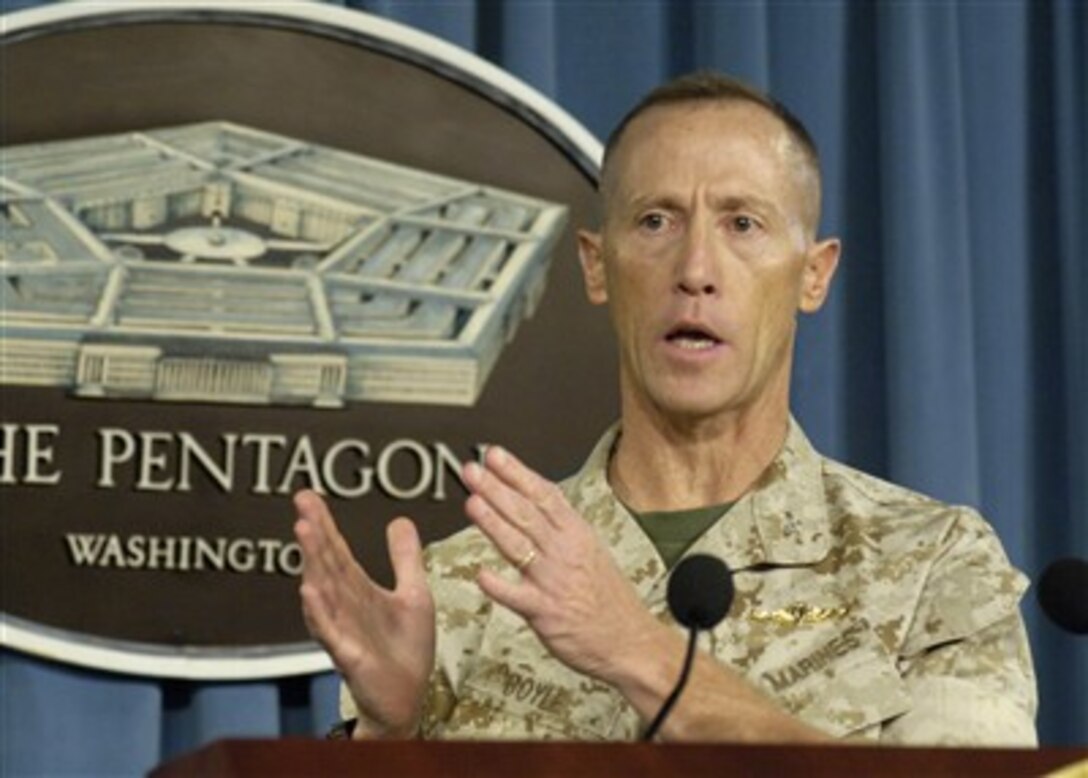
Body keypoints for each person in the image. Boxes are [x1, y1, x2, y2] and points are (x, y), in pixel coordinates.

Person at [293, 71, 1037, 745]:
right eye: (657, 222)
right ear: (595, 265)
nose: (696, 271)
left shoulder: (932, 564)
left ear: (814, 275)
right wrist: (388, 734)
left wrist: (636, 649)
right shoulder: (466, 585)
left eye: (742, 224)